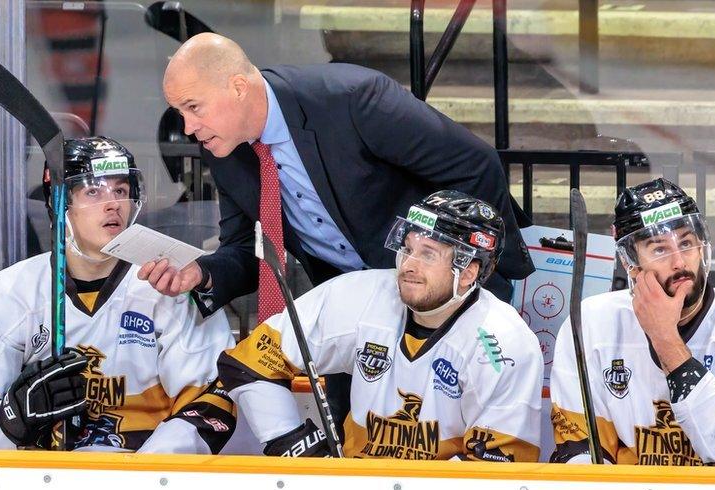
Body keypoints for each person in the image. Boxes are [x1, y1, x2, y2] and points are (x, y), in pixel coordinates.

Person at [144, 33, 533, 315]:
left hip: (439, 296)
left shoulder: (350, 98)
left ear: (239, 87)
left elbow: (475, 164)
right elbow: (245, 251)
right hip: (351, 310)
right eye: (180, 112)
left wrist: (463, 273)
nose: (188, 126)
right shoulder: (225, 148)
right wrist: (203, 273)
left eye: (194, 106)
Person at [0, 136, 237, 453]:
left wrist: (141, 476)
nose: (113, 203)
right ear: (59, 203)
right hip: (39, 482)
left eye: (120, 190)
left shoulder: (170, 285)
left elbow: (210, 407)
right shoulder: (5, 295)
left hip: (144, 484)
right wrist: (13, 417)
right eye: (93, 191)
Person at [217, 191, 543, 460]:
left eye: (428, 255)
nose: (408, 265)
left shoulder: (504, 342)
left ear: (469, 271)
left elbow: (499, 470)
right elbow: (247, 363)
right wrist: (297, 449)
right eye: (408, 248)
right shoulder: (362, 295)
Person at [551, 178, 715, 465]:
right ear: (629, 263)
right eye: (659, 249)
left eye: (686, 243)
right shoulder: (592, 322)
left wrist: (665, 339)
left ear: (702, 248)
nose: (680, 262)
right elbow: (579, 450)